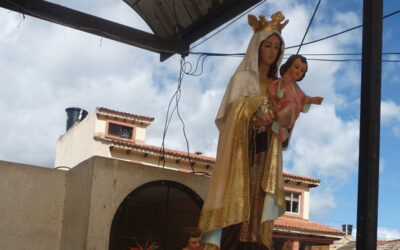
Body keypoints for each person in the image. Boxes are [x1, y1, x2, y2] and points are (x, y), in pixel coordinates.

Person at [197, 12, 288, 250]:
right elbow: (229, 121)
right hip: (240, 156)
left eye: (276, 47)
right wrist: (253, 119)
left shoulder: (278, 86)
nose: (271, 51)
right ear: (256, 46)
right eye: (267, 45)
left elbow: (284, 128)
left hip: (265, 156)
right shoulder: (242, 79)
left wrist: (279, 122)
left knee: (258, 212)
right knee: (235, 206)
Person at [268, 55, 323, 143]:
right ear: (288, 66)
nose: (298, 71)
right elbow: (276, 93)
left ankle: (284, 128)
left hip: (290, 119)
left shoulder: (297, 89)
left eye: (302, 70)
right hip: (278, 115)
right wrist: (283, 84)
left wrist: (311, 100)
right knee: (289, 105)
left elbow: (301, 100)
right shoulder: (281, 81)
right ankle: (281, 127)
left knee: (291, 107)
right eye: (296, 67)